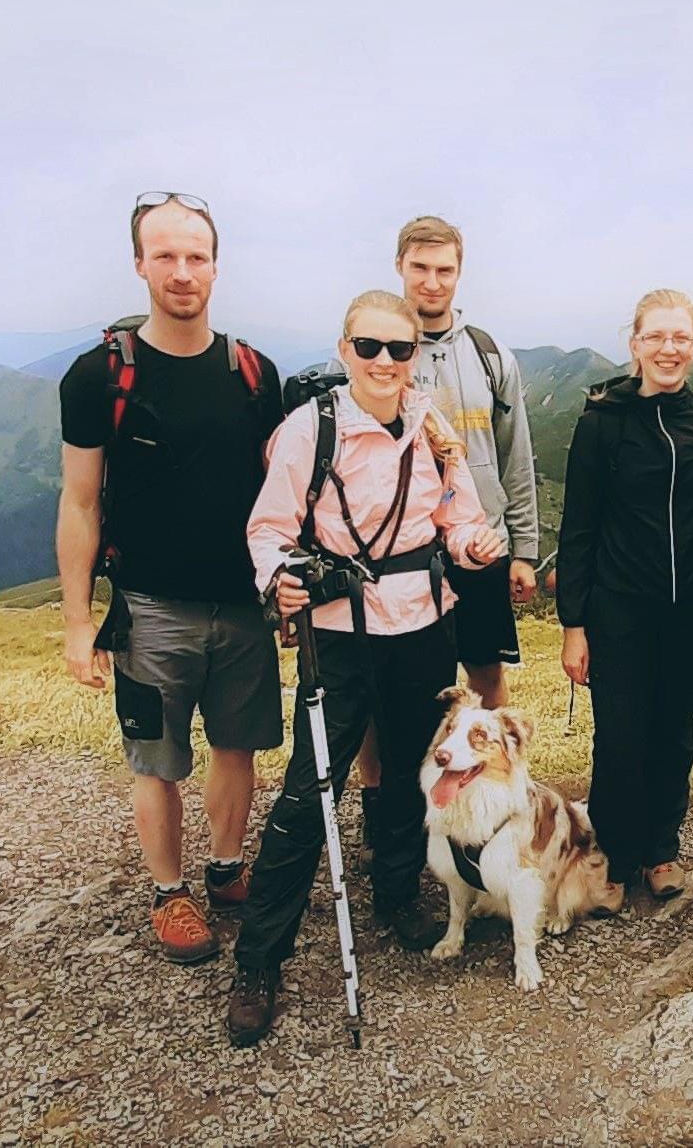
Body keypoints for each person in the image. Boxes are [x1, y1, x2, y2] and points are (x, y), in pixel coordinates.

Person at [226, 290, 505, 1047]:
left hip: (423, 622)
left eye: (400, 349)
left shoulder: (432, 428)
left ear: (416, 353)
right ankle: (259, 962)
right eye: (371, 347)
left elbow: (458, 514)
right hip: (339, 631)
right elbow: (270, 529)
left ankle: (396, 896)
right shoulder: (309, 431)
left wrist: (474, 544)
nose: (386, 363)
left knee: (420, 762)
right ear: (346, 349)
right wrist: (277, 578)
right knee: (312, 784)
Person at [56, 192, 286, 966]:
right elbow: (80, 502)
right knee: (155, 759)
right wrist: (78, 623)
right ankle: (168, 891)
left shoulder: (256, 374)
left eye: (196, 256)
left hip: (244, 604)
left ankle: (225, 870)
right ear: (139, 265)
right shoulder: (99, 377)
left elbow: (278, 490)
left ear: (216, 265)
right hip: (150, 607)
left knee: (236, 749)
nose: (182, 272)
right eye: (166, 256)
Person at [343, 216, 543, 837]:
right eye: (420, 268)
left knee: (484, 672)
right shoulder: (377, 350)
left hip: (476, 542)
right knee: (390, 691)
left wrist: (523, 547)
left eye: (445, 269)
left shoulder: (488, 354)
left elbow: (516, 452)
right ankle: (388, 809)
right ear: (400, 266)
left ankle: (497, 797)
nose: (432, 281)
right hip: (397, 550)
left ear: (460, 273)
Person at [556, 289, 693, 903]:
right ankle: (614, 854)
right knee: (619, 734)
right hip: (619, 607)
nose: (669, 349)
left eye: (681, 338)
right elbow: (579, 527)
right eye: (656, 337)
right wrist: (573, 624)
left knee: (674, 729)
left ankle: (661, 850)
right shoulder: (602, 424)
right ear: (635, 344)